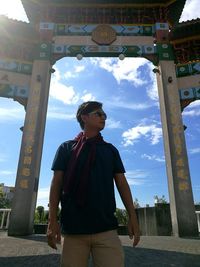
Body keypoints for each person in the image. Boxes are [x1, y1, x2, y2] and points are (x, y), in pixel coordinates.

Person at [47, 101, 140, 267]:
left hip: (106, 230)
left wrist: (133, 216)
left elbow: (122, 183)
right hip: (73, 231)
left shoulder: (110, 150)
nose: (104, 117)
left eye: (104, 114)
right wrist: (52, 219)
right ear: (84, 117)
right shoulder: (66, 148)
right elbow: (56, 184)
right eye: (98, 113)